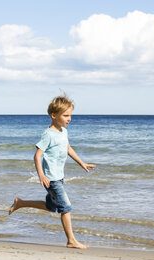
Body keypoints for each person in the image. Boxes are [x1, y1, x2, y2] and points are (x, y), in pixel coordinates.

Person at [9, 94, 95, 249]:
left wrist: (81, 163)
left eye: (70, 115)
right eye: (66, 115)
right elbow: (37, 155)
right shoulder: (48, 134)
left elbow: (67, 148)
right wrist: (41, 175)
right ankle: (71, 240)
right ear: (54, 115)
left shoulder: (63, 132)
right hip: (51, 179)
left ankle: (20, 203)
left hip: (59, 177)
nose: (69, 119)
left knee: (51, 207)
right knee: (66, 208)